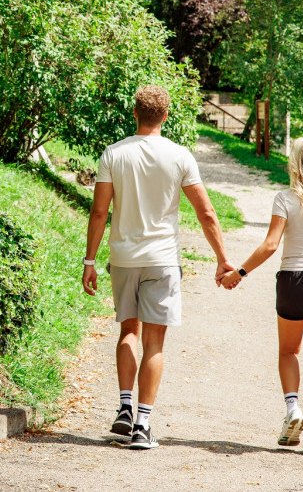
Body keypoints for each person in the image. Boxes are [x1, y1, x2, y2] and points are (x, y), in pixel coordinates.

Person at [81, 85, 234, 450]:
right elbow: (206, 212)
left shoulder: (113, 154)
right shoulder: (180, 156)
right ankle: (143, 425)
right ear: (166, 116)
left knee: (127, 332)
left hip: (123, 258)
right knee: (155, 343)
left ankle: (124, 407)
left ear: (135, 113)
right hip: (162, 260)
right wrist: (222, 258)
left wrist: (89, 260)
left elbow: (100, 210)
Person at [219, 137, 303, 455]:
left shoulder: (284, 199)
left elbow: (270, 245)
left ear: (296, 164)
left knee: (288, 352)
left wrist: (239, 274)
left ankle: (293, 411)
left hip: (293, 283)